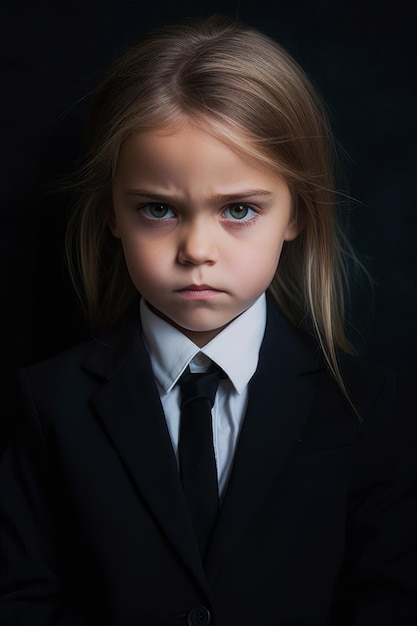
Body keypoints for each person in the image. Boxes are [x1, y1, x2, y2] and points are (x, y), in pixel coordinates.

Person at [1, 15, 416, 626]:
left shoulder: (365, 407)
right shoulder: (49, 404)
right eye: (159, 209)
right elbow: (22, 599)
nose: (197, 248)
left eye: (239, 209)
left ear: (295, 213)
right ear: (113, 213)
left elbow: (388, 599)